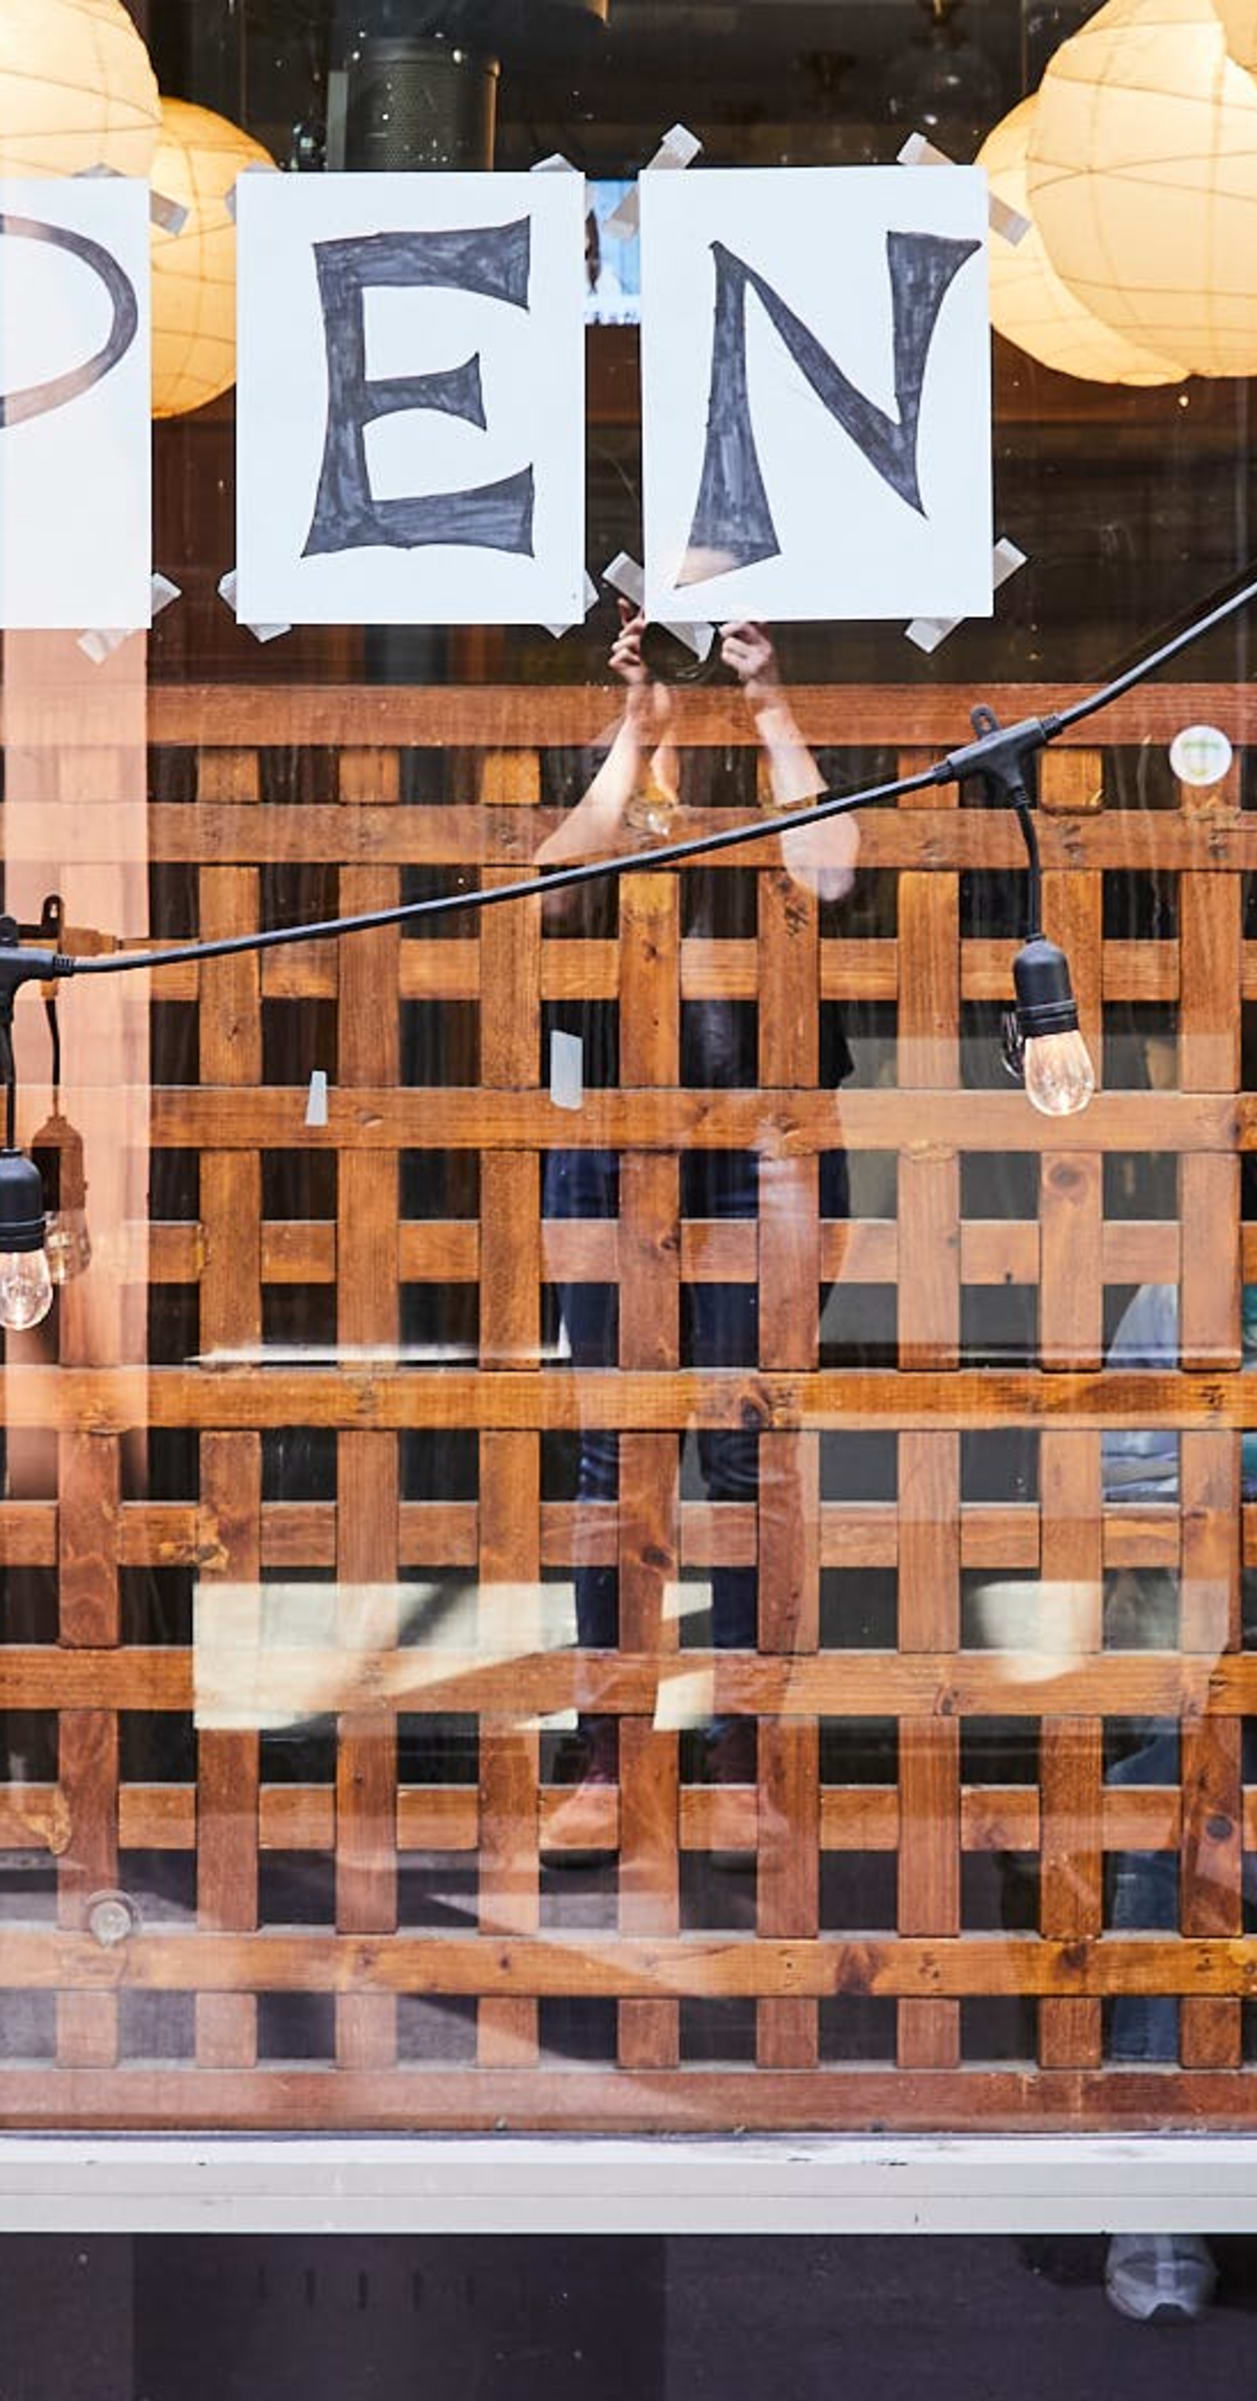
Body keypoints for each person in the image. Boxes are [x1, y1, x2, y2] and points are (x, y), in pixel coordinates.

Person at [537, 606, 853, 1866]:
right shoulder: (631, 801)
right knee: (614, 1461)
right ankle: (610, 1752)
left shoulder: (778, 789)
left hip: (759, 1149)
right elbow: (557, 890)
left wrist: (770, 699)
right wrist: (638, 728)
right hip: (612, 1148)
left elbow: (830, 871)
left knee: (747, 1456)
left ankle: (745, 1751)